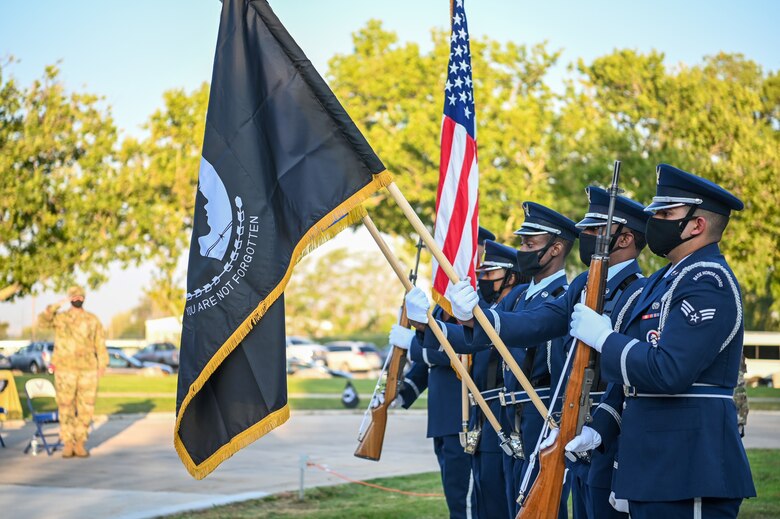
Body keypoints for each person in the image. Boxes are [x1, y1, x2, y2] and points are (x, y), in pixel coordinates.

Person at [566, 164, 756, 518]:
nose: (654, 222)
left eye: (666, 213)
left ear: (696, 225)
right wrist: (601, 428)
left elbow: (669, 370)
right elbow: (631, 383)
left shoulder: (707, 282)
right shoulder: (663, 280)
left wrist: (606, 339)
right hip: (651, 463)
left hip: (689, 463)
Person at [459, 187, 649, 518]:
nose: (585, 235)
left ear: (624, 239)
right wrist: (483, 317)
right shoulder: (583, 285)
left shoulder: (638, 291)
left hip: (610, 428)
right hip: (573, 423)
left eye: (594, 230)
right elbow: (539, 321)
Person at [413, 202, 579, 518]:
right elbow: (478, 340)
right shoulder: (518, 297)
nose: (523, 250)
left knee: (538, 505)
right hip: (508, 414)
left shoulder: (563, 295)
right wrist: (428, 324)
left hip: (541, 411)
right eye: (522, 243)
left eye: (531, 244)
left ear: (556, 248)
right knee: (502, 504)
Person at [39, 285, 108, 458]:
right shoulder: (60, 318)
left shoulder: (93, 320)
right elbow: (43, 320)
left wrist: (102, 364)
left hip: (88, 370)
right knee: (65, 406)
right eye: (74, 296)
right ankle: (68, 443)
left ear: (84, 298)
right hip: (65, 370)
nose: (78, 299)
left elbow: (100, 342)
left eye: (80, 296)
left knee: (86, 408)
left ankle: (80, 443)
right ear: (70, 298)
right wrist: (57, 305)